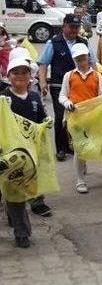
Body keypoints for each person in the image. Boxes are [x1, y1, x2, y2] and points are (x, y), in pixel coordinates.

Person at [1, 58, 53, 247]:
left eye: (24, 72)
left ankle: (14, 219)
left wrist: (46, 121)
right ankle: (21, 233)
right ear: (9, 77)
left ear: (30, 76)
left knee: (19, 190)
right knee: (14, 190)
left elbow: (40, 117)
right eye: (16, 73)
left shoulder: (33, 97)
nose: (20, 76)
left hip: (30, 153)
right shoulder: (3, 99)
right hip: (10, 153)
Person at [37, 14, 93, 161]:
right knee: (61, 116)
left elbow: (92, 62)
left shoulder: (83, 42)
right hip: (59, 85)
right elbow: (43, 63)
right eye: (72, 27)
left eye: (77, 27)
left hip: (81, 84)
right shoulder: (54, 42)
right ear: (64, 26)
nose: (74, 30)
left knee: (77, 116)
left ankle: (72, 145)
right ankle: (61, 148)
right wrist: (42, 82)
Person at [58, 43, 102, 194]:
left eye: (83, 58)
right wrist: (67, 103)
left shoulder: (97, 75)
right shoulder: (69, 75)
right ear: (74, 60)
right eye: (78, 59)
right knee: (79, 149)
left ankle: (83, 163)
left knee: (90, 146)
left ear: (88, 57)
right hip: (75, 117)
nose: (81, 61)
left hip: (93, 118)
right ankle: (80, 180)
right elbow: (62, 95)